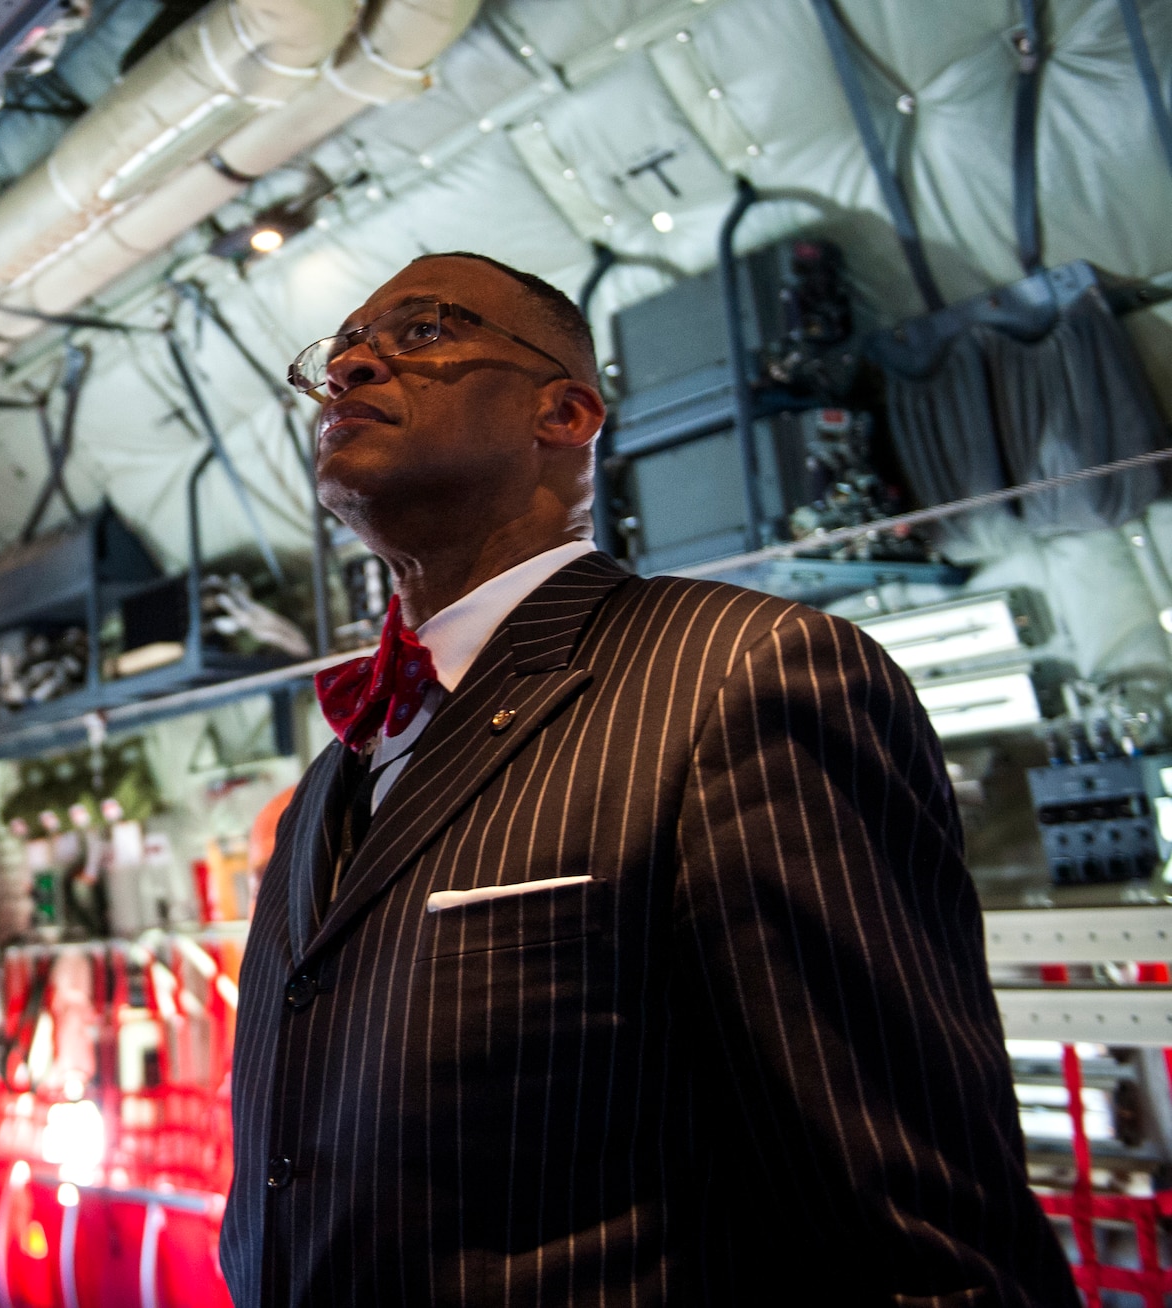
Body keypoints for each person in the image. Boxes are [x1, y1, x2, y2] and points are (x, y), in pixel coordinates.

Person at [217, 252, 1076, 1307]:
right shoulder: (322, 791)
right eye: (336, 350)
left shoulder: (739, 676)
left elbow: (919, 1232)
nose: (346, 365)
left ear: (566, 413)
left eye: (419, 333)